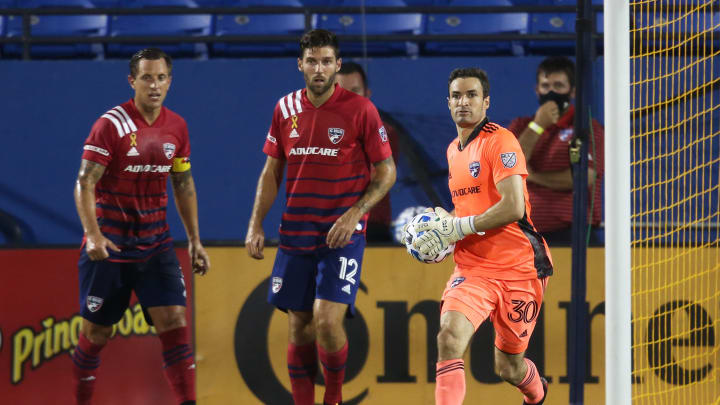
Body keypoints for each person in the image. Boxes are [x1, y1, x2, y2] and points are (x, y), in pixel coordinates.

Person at [245, 29, 396, 405]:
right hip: (295, 233)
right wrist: (255, 224)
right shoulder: (285, 109)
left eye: (326, 61)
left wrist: (355, 214)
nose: (319, 68)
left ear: (337, 65)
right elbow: (271, 172)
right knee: (299, 326)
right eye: (312, 61)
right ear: (300, 65)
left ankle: (332, 398)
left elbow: (387, 171)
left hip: (342, 236)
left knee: (327, 322)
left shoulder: (361, 110)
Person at [72, 48, 210, 405]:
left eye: (161, 77)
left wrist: (194, 240)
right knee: (96, 334)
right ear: (132, 81)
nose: (155, 85)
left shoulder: (177, 127)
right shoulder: (111, 125)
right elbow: (85, 182)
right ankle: (81, 398)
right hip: (111, 247)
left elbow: (183, 183)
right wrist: (93, 234)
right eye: (147, 77)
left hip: (156, 245)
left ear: (170, 81)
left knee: (175, 324)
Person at [413, 68, 552, 405]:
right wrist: (443, 228)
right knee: (448, 337)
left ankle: (537, 393)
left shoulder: (500, 140)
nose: (464, 102)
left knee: (508, 367)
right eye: (457, 96)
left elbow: (514, 207)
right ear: (448, 103)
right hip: (473, 268)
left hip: (520, 268)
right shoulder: (452, 150)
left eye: (472, 95)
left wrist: (459, 227)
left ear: (486, 102)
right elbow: (468, 209)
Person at [507, 56, 604, 245]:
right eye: (546, 86)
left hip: (570, 232)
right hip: (524, 231)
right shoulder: (520, 126)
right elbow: (509, 167)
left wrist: (533, 177)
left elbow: (583, 178)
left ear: (572, 91)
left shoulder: (586, 127)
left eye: (559, 86)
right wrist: (538, 125)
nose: (551, 92)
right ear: (537, 90)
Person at [336, 61, 399, 242]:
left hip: (370, 229)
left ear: (367, 94)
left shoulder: (385, 132)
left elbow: (376, 178)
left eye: (354, 91)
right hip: (328, 226)